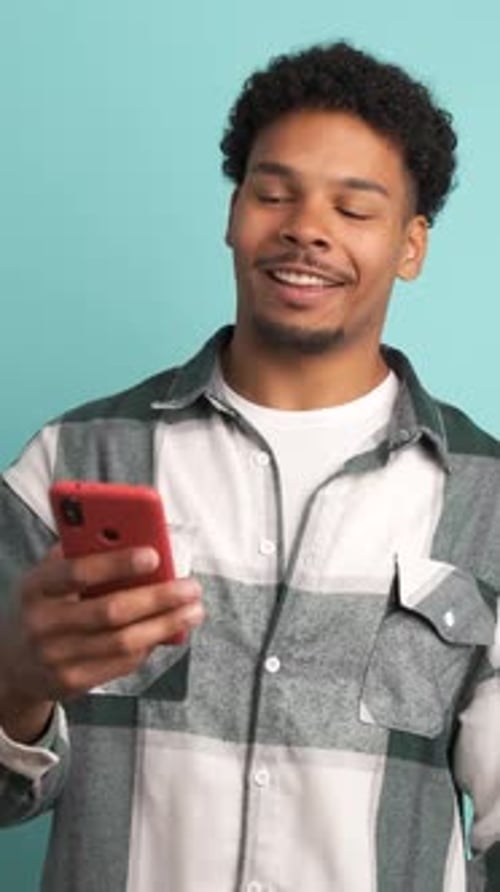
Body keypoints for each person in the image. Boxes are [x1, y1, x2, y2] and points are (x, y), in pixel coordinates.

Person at [0, 40, 498, 892]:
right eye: (274, 193)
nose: (306, 227)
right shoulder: (69, 460)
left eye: (355, 208)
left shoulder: (486, 501)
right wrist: (13, 681)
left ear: (411, 246)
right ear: (234, 213)